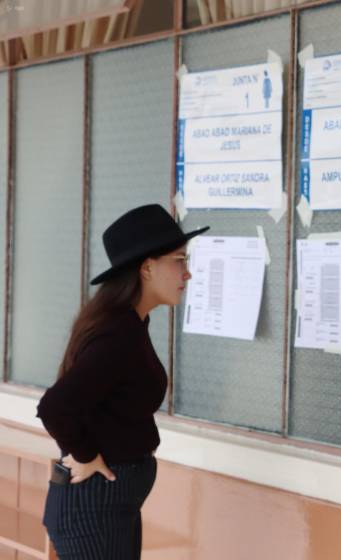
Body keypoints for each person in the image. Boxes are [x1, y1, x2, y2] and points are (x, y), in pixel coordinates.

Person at [37, 204, 208, 560]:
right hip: (95, 511)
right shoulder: (118, 333)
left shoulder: (127, 325)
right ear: (147, 268)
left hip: (109, 508)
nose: (187, 274)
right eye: (179, 260)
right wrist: (83, 453)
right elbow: (56, 407)